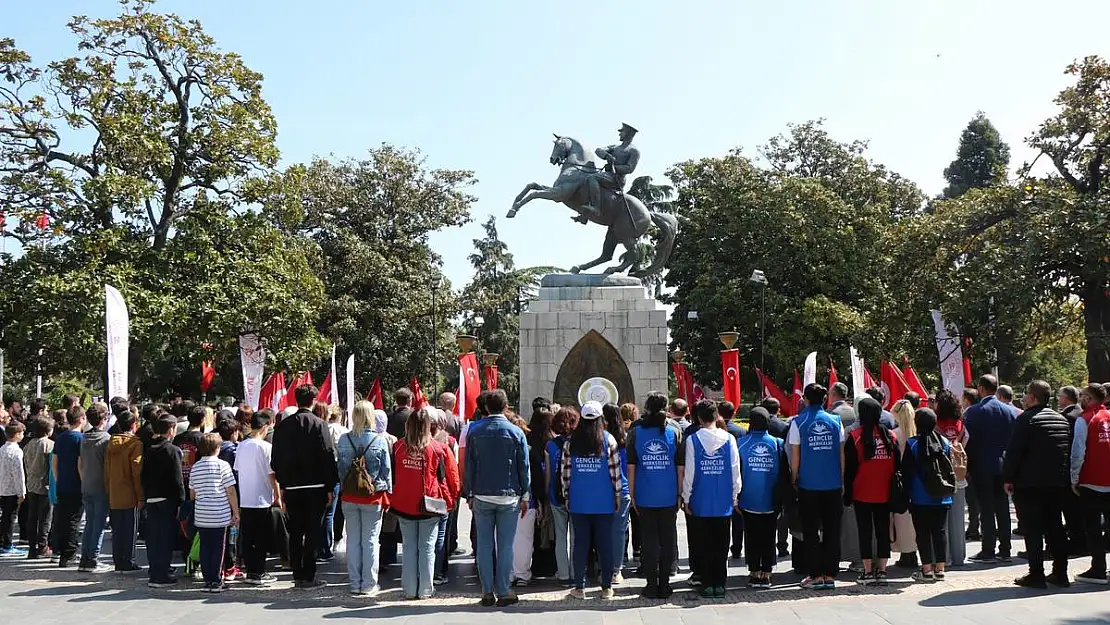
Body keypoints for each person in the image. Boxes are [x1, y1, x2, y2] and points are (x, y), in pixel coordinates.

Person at [1000, 380, 1070, 589]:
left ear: (1032, 397)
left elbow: (1014, 452)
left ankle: (1036, 574)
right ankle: (1061, 572)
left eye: (1026, 393)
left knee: (1033, 530)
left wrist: (1008, 478)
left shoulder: (1026, 420)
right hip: (1057, 482)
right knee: (1056, 527)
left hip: (1030, 484)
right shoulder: (1061, 419)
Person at [463, 389, 529, 607]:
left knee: (483, 545)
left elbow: (469, 465)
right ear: (506, 406)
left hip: (481, 494)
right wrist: (526, 493)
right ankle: (503, 589)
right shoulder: (516, 432)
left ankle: (486, 591)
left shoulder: (474, 430)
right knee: (505, 545)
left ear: (486, 408)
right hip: (509, 496)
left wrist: (469, 492)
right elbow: (523, 466)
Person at [270, 384, 340, 589]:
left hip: (291, 487)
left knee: (295, 532)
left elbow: (276, 459)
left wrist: (282, 483)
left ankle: (297, 574)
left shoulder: (282, 426)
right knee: (312, 532)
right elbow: (328, 456)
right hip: (316, 487)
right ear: (314, 400)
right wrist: (330, 486)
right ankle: (309, 575)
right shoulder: (319, 424)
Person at [392, 406, 460, 601]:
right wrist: (453, 497)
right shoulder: (438, 448)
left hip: (404, 503)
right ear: (429, 426)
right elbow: (452, 476)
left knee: (409, 547)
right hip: (430, 504)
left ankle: (409, 588)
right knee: (428, 547)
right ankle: (425, 589)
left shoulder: (398, 447)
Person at [560, 401, 622, 600]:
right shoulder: (608, 440)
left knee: (580, 544)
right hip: (604, 500)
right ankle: (606, 587)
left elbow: (565, 473)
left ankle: (579, 586)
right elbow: (615, 472)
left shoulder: (571, 442)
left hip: (579, 500)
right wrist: (617, 495)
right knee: (605, 543)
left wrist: (567, 495)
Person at [681, 399, 741, 599]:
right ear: (717, 416)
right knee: (722, 544)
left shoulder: (692, 440)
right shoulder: (729, 439)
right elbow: (735, 471)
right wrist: (735, 496)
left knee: (703, 544)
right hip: (723, 500)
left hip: (700, 499)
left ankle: (707, 583)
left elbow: (690, 472)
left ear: (698, 418)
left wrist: (686, 497)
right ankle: (720, 583)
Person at [626, 392, 683, 598]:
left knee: (648, 540)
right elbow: (680, 468)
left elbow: (631, 467)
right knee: (667, 540)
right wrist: (679, 493)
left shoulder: (635, 432)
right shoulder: (674, 431)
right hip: (668, 495)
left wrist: (632, 494)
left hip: (644, 494)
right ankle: (665, 584)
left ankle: (651, 584)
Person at [789, 384, 845, 590]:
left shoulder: (798, 422)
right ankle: (830, 574)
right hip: (833, 484)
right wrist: (842, 479)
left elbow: (795, 456)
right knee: (832, 530)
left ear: (806, 399)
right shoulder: (835, 421)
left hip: (808, 485)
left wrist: (794, 478)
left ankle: (815, 574)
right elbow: (841, 454)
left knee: (810, 531)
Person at [336, 401, 392, 595]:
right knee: (370, 541)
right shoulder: (379, 440)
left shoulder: (344, 440)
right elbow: (386, 472)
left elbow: (341, 471)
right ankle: (369, 583)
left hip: (350, 495)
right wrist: (388, 493)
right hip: (373, 496)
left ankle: (354, 582)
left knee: (352, 539)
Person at [844, 397, 898, 586]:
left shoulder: (855, 436)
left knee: (865, 531)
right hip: (886, 492)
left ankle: (867, 571)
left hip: (862, 492)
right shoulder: (891, 436)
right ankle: (882, 570)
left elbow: (849, 470)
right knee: (883, 531)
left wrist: (847, 495)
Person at [964, 374, 1016, 563]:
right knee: (1002, 508)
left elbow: (967, 441)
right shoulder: (1010, 411)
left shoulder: (973, 412)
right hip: (1003, 465)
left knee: (986, 509)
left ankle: (988, 550)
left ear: (981, 389)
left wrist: (967, 466)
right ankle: (1005, 549)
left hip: (981, 465)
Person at [902, 408, 953, 582]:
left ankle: (926, 569)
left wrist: (906, 494)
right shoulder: (945, 442)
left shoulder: (912, 444)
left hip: (919, 496)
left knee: (922, 533)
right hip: (942, 495)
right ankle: (940, 568)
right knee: (940, 531)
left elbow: (906, 472)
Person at [737, 407, 786, 588]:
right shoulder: (778, 444)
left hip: (748, 499)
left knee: (751, 537)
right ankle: (767, 572)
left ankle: (754, 571)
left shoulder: (740, 443)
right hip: (772, 500)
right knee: (768, 536)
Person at [235, 409, 281, 586]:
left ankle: (250, 571)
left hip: (246, 496)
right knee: (261, 537)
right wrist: (277, 495)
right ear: (265, 426)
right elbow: (272, 475)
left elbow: (238, 469)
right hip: (262, 497)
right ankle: (259, 572)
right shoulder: (266, 447)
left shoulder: (241, 445)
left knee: (248, 537)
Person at [189, 433, 240, 593]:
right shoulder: (223, 465)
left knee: (205, 547)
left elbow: (192, 494)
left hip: (202, 513)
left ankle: (208, 579)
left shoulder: (195, 467)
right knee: (219, 547)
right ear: (217, 448)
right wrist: (236, 511)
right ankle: (216, 580)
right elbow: (230, 491)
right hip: (219, 513)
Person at [1072, 383, 1110, 584]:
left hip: (1091, 481)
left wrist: (1074, 478)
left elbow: (1078, 452)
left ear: (1090, 399)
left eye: (1084, 396)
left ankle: (1098, 569)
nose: (1081, 398)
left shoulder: (1084, 419)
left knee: (1093, 528)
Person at [141, 416, 185, 588]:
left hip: (151, 497)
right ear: (172, 429)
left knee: (153, 537)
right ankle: (162, 574)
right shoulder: (172, 450)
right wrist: (181, 499)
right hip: (167, 498)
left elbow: (143, 475)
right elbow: (177, 478)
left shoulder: (148, 449)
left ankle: (155, 570)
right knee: (165, 538)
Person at [103, 408, 144, 573]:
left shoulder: (110, 443)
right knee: (130, 529)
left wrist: (108, 489)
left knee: (117, 529)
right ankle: (128, 560)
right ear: (134, 424)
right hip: (130, 493)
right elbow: (137, 471)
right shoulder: (136, 444)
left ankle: (118, 560)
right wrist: (141, 495)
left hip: (114, 491)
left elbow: (106, 469)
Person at [934, 390, 969, 568]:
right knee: (958, 520)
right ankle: (959, 556)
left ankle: (944, 557)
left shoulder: (935, 426)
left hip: (941, 478)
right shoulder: (961, 425)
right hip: (959, 476)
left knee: (943, 522)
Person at [578, 122, 641, 223]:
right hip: (608, 175)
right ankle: (585, 214)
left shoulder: (634, 151)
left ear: (628, 133)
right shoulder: (615, 147)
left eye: (622, 131)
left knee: (592, 178)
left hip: (617, 178)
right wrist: (607, 156)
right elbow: (598, 150)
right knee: (586, 178)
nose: (619, 133)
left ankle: (596, 207)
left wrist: (614, 167)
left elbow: (630, 168)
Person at [545, 406, 579, 586]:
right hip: (576, 495)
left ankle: (563, 574)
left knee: (560, 535)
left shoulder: (551, 445)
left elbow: (549, 474)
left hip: (555, 496)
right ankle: (575, 572)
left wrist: (547, 492)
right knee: (575, 536)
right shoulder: (579, 443)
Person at [51, 406, 85, 567]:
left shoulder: (61, 437)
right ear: (82, 419)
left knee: (63, 520)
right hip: (76, 484)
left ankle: (62, 551)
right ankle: (69, 554)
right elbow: (80, 464)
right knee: (74, 521)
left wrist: (58, 479)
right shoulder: (81, 439)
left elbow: (55, 460)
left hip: (62, 483)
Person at [603, 402, 631, 585]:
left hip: (604, 490)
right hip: (624, 489)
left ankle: (604, 566)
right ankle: (616, 569)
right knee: (619, 531)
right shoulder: (626, 439)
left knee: (603, 530)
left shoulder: (602, 439)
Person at [1058, 385, 1086, 556]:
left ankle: (1077, 543)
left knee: (1071, 510)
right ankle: (1081, 541)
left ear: (1067, 398)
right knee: (1080, 511)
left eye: (1060, 396)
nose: (1058, 399)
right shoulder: (1082, 413)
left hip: (1070, 469)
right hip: (1084, 468)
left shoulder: (1067, 417)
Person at [22, 416, 53, 560]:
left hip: (31, 484)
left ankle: (31, 546)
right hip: (45, 485)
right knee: (45, 517)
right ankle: (42, 545)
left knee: (32, 516)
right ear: (49, 430)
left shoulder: (28, 445)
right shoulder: (49, 445)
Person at [0, 422, 26, 556]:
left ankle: (3, 541)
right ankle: (8, 544)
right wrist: (22, 492)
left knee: (5, 516)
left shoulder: (2, 449)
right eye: (21, 433)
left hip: (2, 487)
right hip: (12, 489)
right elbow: (19, 473)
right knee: (10, 517)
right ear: (16, 435)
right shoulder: (16, 451)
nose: (23, 435)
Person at [959, 388, 982, 542]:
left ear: (967, 399)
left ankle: (973, 528)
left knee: (972, 500)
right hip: (985, 462)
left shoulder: (968, 415)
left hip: (971, 463)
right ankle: (976, 527)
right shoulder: (979, 413)